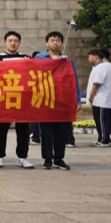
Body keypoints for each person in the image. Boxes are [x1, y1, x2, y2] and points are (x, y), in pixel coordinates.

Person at [34, 31, 80, 169]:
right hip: (45, 100)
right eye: (52, 40)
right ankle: (47, 159)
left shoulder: (67, 60)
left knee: (61, 131)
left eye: (58, 40)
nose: (55, 43)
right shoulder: (40, 58)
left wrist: (77, 101)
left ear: (61, 43)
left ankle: (59, 158)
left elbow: (74, 81)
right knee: (46, 132)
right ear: (47, 43)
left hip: (63, 102)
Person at [0, 31, 34, 169]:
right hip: (4, 99)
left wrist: (30, 63)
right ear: (5, 42)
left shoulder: (25, 58)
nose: (13, 43)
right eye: (10, 40)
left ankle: (22, 157)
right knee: (1, 129)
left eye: (16, 41)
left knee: (23, 129)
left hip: (21, 99)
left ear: (19, 43)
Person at [87, 49, 111, 148]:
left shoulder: (100, 68)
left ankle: (104, 140)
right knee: (102, 120)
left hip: (101, 99)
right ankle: (102, 138)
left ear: (96, 57)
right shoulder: (103, 67)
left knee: (102, 120)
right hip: (102, 98)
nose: (88, 59)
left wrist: (91, 96)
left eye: (89, 56)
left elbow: (96, 84)